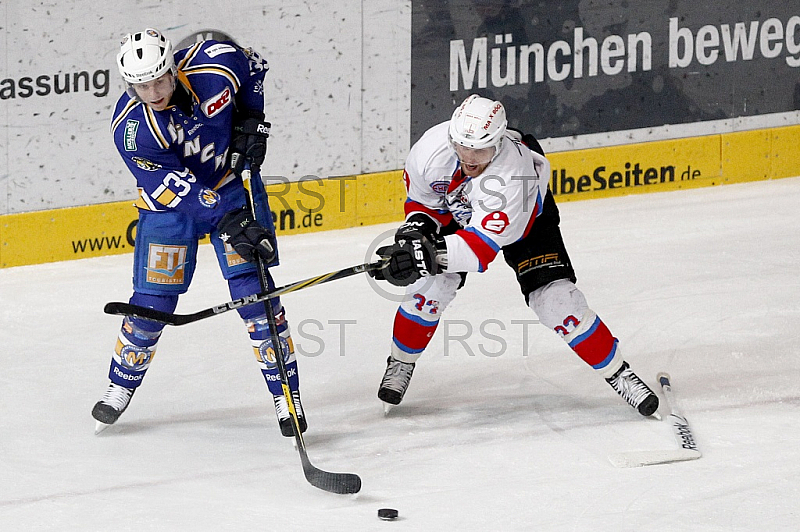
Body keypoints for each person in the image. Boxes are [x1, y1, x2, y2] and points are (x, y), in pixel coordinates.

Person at [371, 94, 660, 417]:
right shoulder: (432, 148)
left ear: (497, 143)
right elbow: (424, 205)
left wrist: (423, 256)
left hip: (525, 222)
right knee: (429, 289)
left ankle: (620, 374)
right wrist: (414, 236)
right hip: (461, 207)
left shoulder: (513, 177)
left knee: (556, 302)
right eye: (461, 145)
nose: (468, 156)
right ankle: (401, 362)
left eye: (479, 149)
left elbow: (477, 251)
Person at [92, 28, 306, 437]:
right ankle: (119, 386)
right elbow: (174, 189)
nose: (152, 92)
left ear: (173, 68)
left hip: (226, 182)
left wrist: (251, 119)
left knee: (256, 294)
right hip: (170, 208)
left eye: (158, 79)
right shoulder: (132, 128)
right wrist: (231, 220)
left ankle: (287, 396)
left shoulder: (215, 62)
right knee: (153, 300)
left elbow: (255, 67)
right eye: (140, 85)